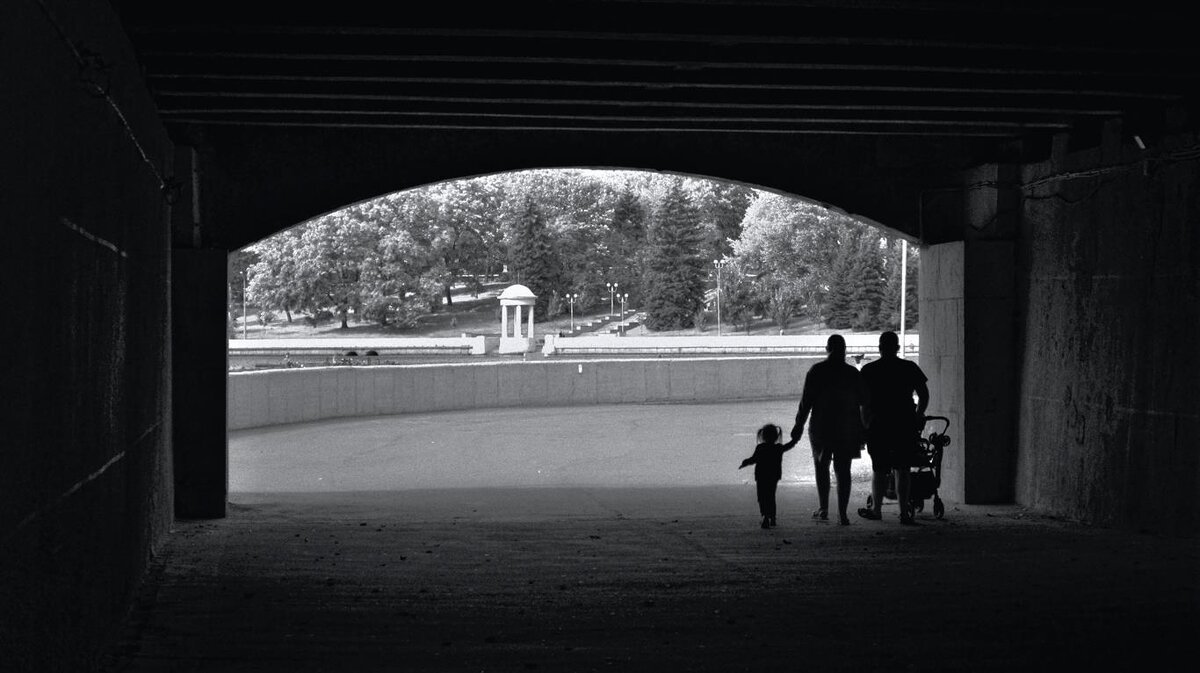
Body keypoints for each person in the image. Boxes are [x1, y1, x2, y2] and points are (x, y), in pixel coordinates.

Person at [788, 334, 867, 526]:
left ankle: (823, 509)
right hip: (847, 428)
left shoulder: (816, 371)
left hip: (821, 427)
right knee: (843, 470)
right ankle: (843, 514)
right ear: (845, 350)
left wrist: (798, 425)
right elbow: (864, 402)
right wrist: (864, 429)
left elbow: (806, 402)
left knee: (821, 467)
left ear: (827, 348)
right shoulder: (852, 373)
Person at [858, 331, 929, 525]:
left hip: (878, 425)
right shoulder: (909, 367)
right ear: (897, 348)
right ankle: (904, 513)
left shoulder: (869, 370)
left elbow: (862, 401)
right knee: (903, 469)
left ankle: (876, 510)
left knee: (879, 469)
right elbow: (924, 395)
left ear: (879, 348)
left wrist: (865, 425)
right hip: (904, 424)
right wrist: (918, 415)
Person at [738, 424, 792, 529]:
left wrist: (745, 462)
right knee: (771, 496)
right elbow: (790, 445)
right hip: (774, 476)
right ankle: (773, 518)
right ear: (776, 436)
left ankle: (765, 516)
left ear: (763, 436)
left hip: (761, 476)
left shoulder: (760, 447)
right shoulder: (778, 448)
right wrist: (796, 438)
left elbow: (753, 459)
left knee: (762, 497)